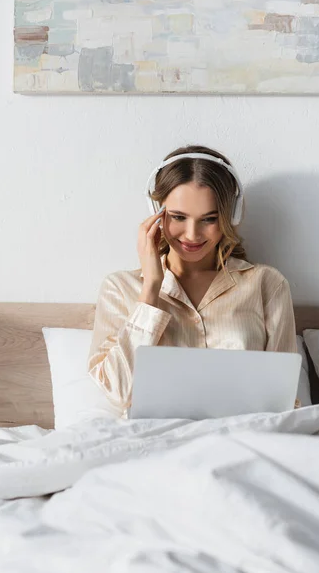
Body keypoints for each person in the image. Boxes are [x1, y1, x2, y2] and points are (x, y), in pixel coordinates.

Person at [88, 144, 299, 415]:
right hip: (158, 445)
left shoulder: (267, 285)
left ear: (229, 217)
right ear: (156, 212)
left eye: (209, 219)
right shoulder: (119, 289)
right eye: (178, 217)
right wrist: (151, 288)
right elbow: (119, 393)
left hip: (244, 441)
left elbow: (283, 401)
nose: (192, 235)